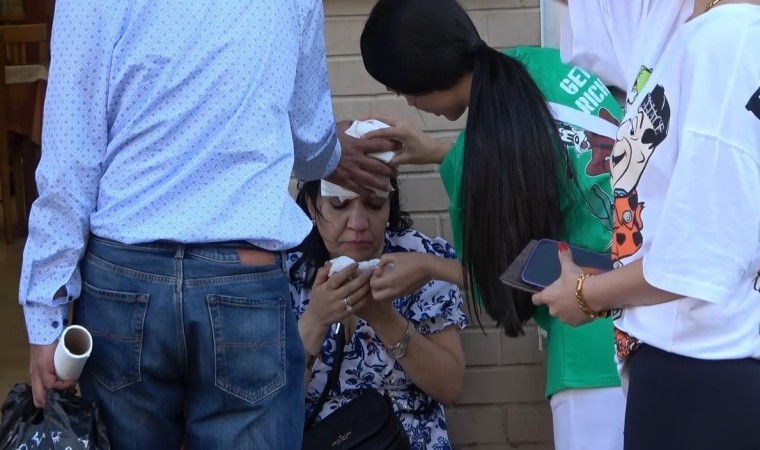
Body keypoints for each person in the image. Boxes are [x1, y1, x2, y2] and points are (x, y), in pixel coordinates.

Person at [19, 1, 394, 448]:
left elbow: (70, 155)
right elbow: (309, 137)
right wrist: (333, 157)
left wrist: (45, 313)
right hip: (243, 275)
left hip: (124, 276)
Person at [357, 0, 626, 448]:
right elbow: (550, 160)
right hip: (663, 314)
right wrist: (442, 150)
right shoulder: (546, 64)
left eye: (401, 89)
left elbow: (508, 276)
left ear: (421, 81)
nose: (407, 101)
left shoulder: (474, 158)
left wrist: (424, 266)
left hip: (591, 345)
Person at [532, 1, 760, 449]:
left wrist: (585, 294)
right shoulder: (675, 21)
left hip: (705, 371)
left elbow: (700, 256)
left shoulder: (729, 38)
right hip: (685, 365)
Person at [288, 177, 467, 449]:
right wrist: (316, 320)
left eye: (374, 204)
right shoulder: (287, 271)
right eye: (339, 204)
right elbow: (271, 409)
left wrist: (384, 319)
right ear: (313, 206)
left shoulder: (420, 259)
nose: (358, 224)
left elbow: (449, 386)